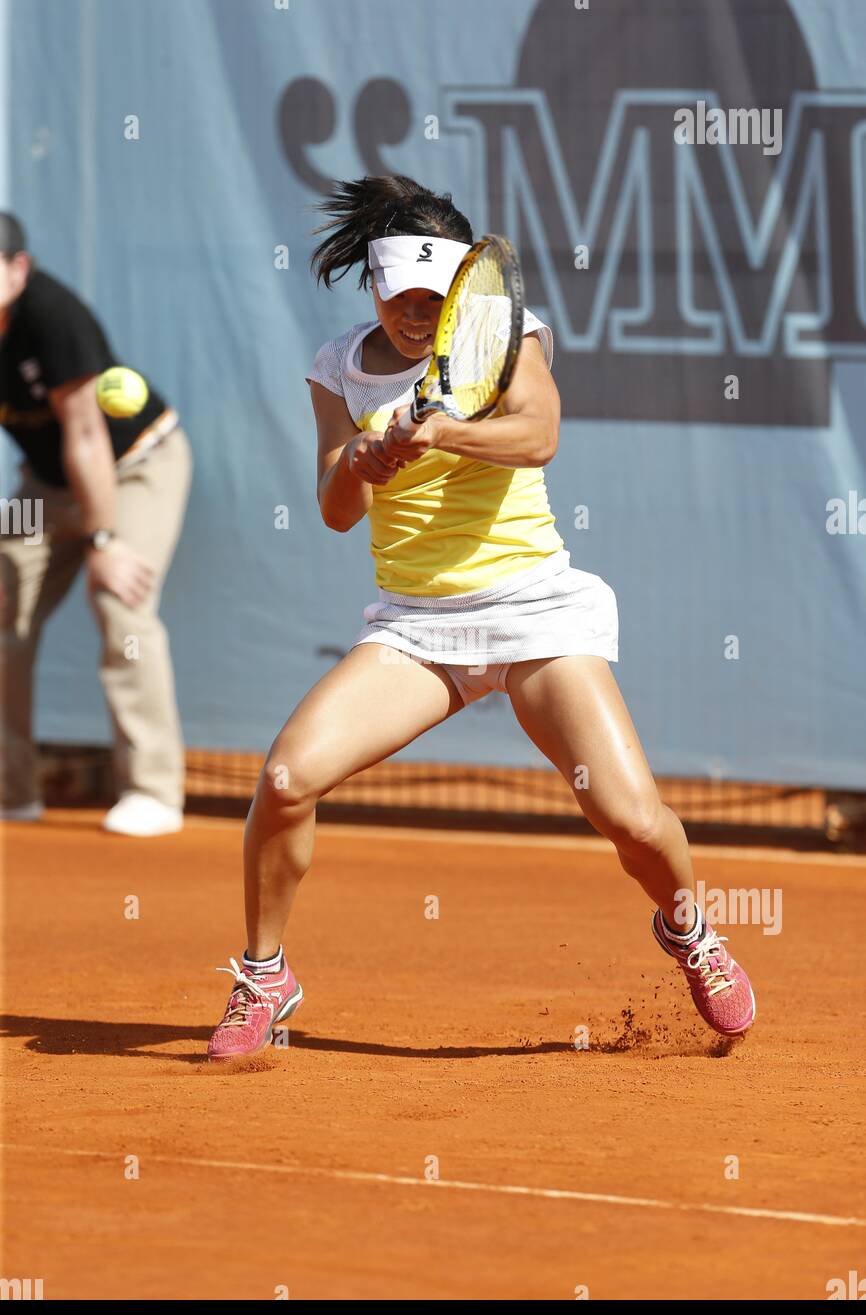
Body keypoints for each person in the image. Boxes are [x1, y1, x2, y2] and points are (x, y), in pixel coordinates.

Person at [207, 174, 756, 1059]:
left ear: (465, 287)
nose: (416, 317)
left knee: (635, 821)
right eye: (400, 299)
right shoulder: (337, 367)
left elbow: (538, 435)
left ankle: (691, 931)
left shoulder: (505, 343)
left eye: (434, 299)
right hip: (413, 631)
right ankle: (264, 975)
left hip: (535, 612)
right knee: (283, 782)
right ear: (375, 288)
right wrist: (360, 458)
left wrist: (442, 433)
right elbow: (335, 509)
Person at [0, 213, 192, 836]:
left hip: (134, 468)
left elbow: (86, 436)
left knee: (118, 600)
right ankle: (11, 792)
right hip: (44, 489)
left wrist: (103, 540)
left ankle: (154, 792)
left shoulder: (54, 318)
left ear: (18, 269)